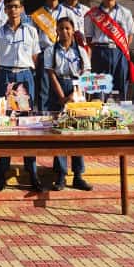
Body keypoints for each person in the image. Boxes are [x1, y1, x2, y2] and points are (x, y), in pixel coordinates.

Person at [0, 0, 44, 193]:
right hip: (5, 78)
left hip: (24, 78)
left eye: (16, 6)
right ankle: (2, 172)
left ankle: (32, 172)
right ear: (5, 9)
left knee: (27, 126)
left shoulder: (31, 31)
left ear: (22, 9)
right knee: (5, 125)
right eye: (9, 6)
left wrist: (21, 75)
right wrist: (8, 76)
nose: (13, 10)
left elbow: (35, 58)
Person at [45, 17, 93, 191]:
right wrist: (62, 98)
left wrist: (75, 93)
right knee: (59, 133)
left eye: (67, 28)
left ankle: (78, 175)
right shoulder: (51, 50)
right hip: (58, 89)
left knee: (76, 132)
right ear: (56, 31)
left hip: (76, 89)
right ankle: (60, 175)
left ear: (73, 30)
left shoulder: (81, 51)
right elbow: (51, 74)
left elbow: (85, 73)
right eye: (61, 28)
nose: (64, 31)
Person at [84, 0, 134, 100]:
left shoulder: (125, 12)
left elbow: (130, 35)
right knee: (99, 88)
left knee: (121, 86)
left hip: (120, 52)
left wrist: (123, 49)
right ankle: (99, 114)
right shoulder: (92, 14)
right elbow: (88, 37)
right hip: (100, 52)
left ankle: (122, 115)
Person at [30, 0, 73, 112]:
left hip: (64, 54)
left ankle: (65, 116)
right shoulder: (37, 14)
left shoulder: (68, 12)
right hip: (44, 54)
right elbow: (33, 38)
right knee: (44, 88)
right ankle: (43, 117)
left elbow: (74, 34)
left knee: (64, 86)